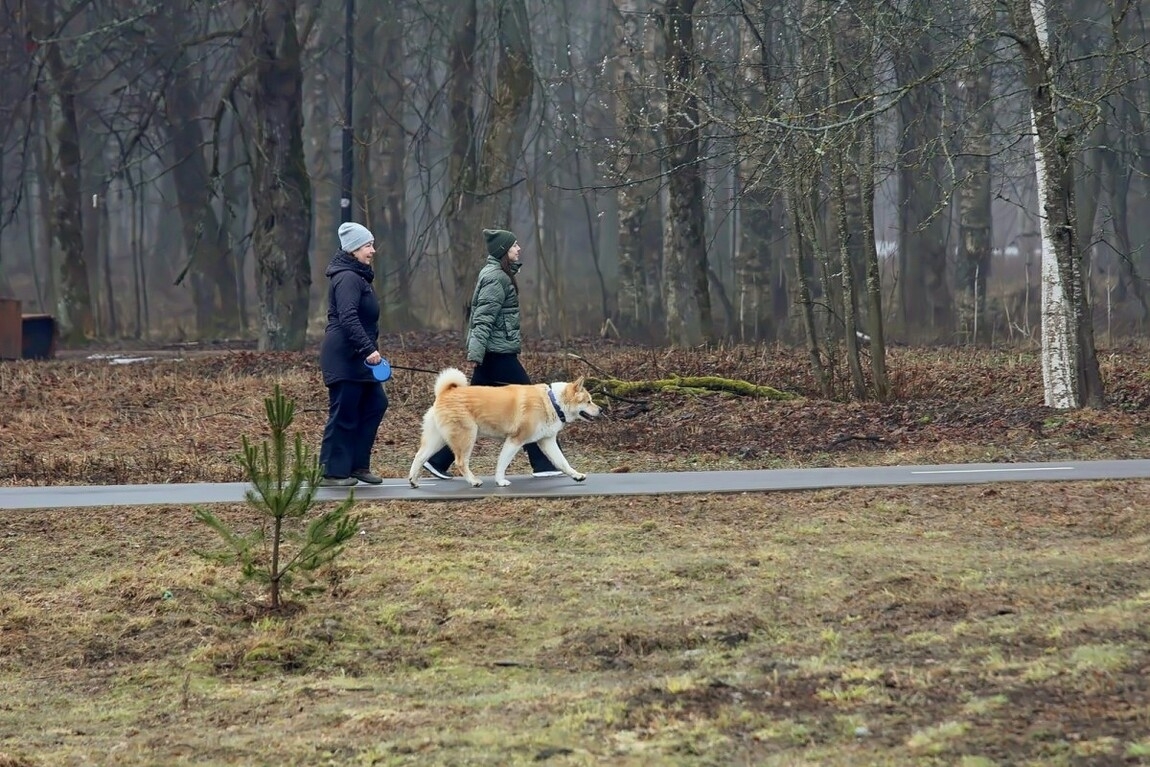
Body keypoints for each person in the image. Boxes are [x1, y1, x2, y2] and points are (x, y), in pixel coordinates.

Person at [422, 228, 563, 480]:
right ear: (503, 252)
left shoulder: (500, 274)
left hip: (494, 352)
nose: (518, 248)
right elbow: (482, 318)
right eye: (514, 246)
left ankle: (437, 461)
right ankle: (545, 464)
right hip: (496, 353)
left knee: (467, 407)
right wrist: (476, 353)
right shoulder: (496, 278)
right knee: (534, 406)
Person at [317, 222, 388, 487]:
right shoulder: (347, 277)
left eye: (371, 244)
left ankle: (357, 465)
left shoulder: (358, 276)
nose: (372, 251)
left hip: (358, 358)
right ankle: (332, 472)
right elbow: (347, 318)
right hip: (344, 357)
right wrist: (368, 349)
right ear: (353, 250)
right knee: (344, 412)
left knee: (375, 405)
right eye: (367, 246)